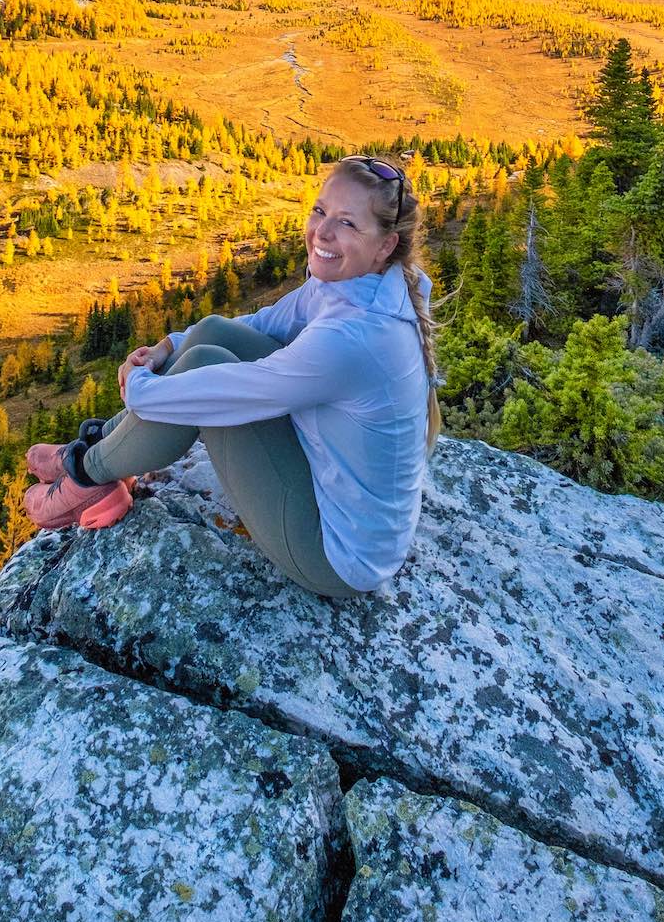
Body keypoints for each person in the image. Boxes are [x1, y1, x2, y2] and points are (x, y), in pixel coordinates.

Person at [22, 155, 443, 598]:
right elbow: (260, 325)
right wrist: (169, 344)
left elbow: (232, 392)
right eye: (320, 211)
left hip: (334, 555)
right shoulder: (365, 283)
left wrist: (142, 387)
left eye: (348, 224)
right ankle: (101, 446)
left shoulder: (354, 337)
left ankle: (86, 477)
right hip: (328, 482)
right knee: (212, 336)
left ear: (385, 244)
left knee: (206, 368)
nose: (322, 231)